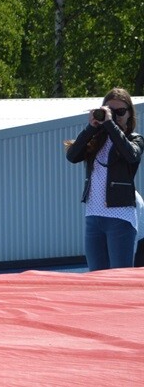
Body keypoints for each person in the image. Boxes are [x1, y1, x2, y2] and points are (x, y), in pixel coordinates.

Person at [65, 87, 142, 271]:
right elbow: (73, 156)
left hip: (120, 217)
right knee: (96, 278)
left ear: (130, 115)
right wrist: (92, 127)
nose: (115, 116)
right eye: (110, 111)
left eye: (120, 112)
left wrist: (110, 125)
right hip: (93, 216)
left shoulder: (135, 139)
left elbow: (131, 155)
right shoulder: (95, 139)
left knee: (120, 279)